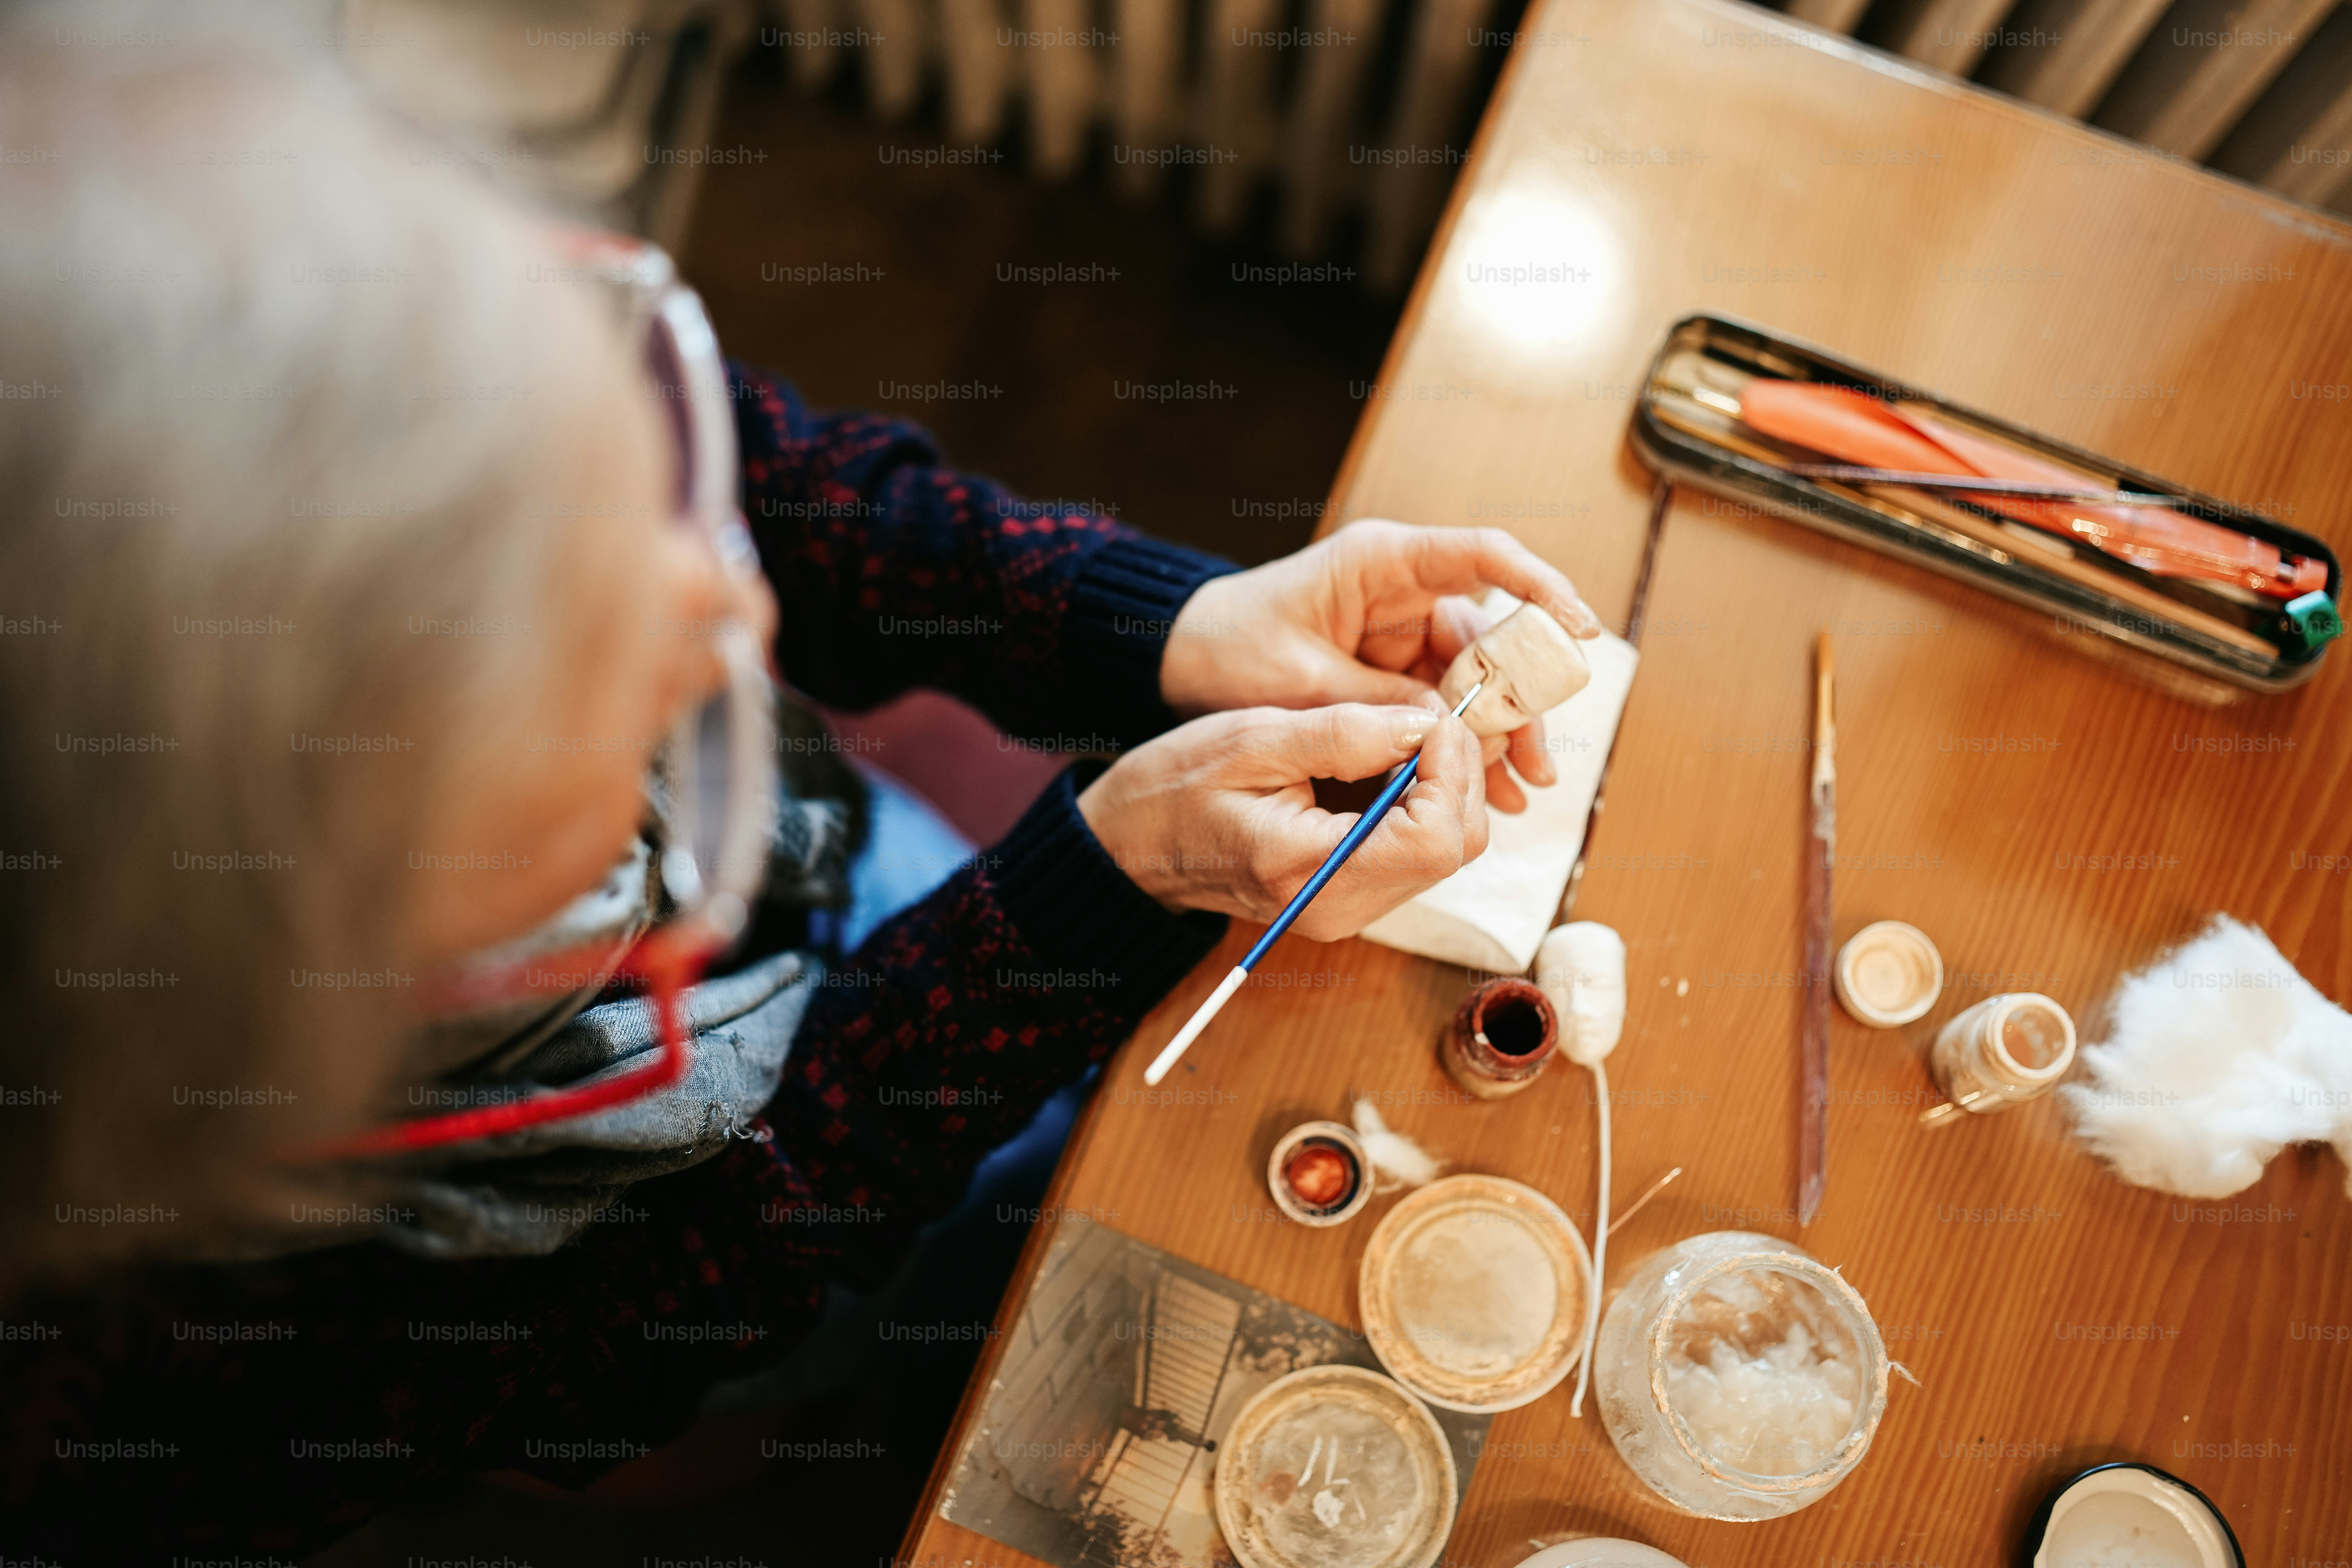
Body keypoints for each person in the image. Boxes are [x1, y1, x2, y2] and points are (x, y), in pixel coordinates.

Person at [0, 10, 1597, 1555]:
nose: (736, 611)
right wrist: (1075, 909)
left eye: (635, 492)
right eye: (625, 717)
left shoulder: (268, 314)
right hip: (782, 1227)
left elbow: (781, 489)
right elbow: (668, 1303)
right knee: (937, 1307)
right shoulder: (191, 1395)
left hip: (850, 906)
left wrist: (1164, 627)